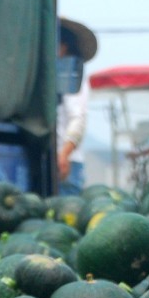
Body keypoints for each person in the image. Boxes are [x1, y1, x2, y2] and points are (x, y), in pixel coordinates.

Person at [56, 17, 97, 196]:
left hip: (66, 164)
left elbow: (78, 119)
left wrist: (64, 154)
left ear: (63, 46)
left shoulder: (71, 77)